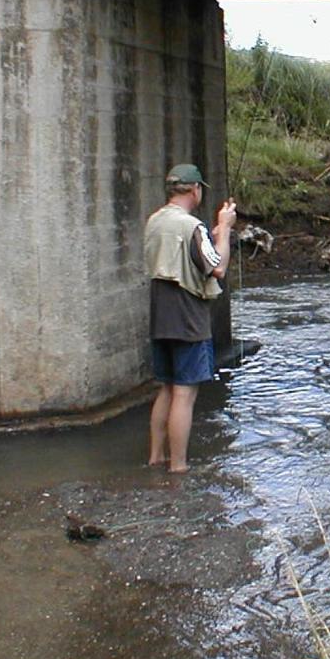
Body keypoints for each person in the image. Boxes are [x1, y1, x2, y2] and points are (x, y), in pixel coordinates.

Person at [143, 163, 236, 473]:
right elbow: (218, 268)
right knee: (184, 394)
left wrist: (213, 235)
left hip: (161, 318)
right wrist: (225, 231)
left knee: (166, 388)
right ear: (195, 190)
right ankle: (178, 467)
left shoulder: (154, 222)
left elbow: (181, 256)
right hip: (188, 318)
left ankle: (156, 457)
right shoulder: (191, 226)